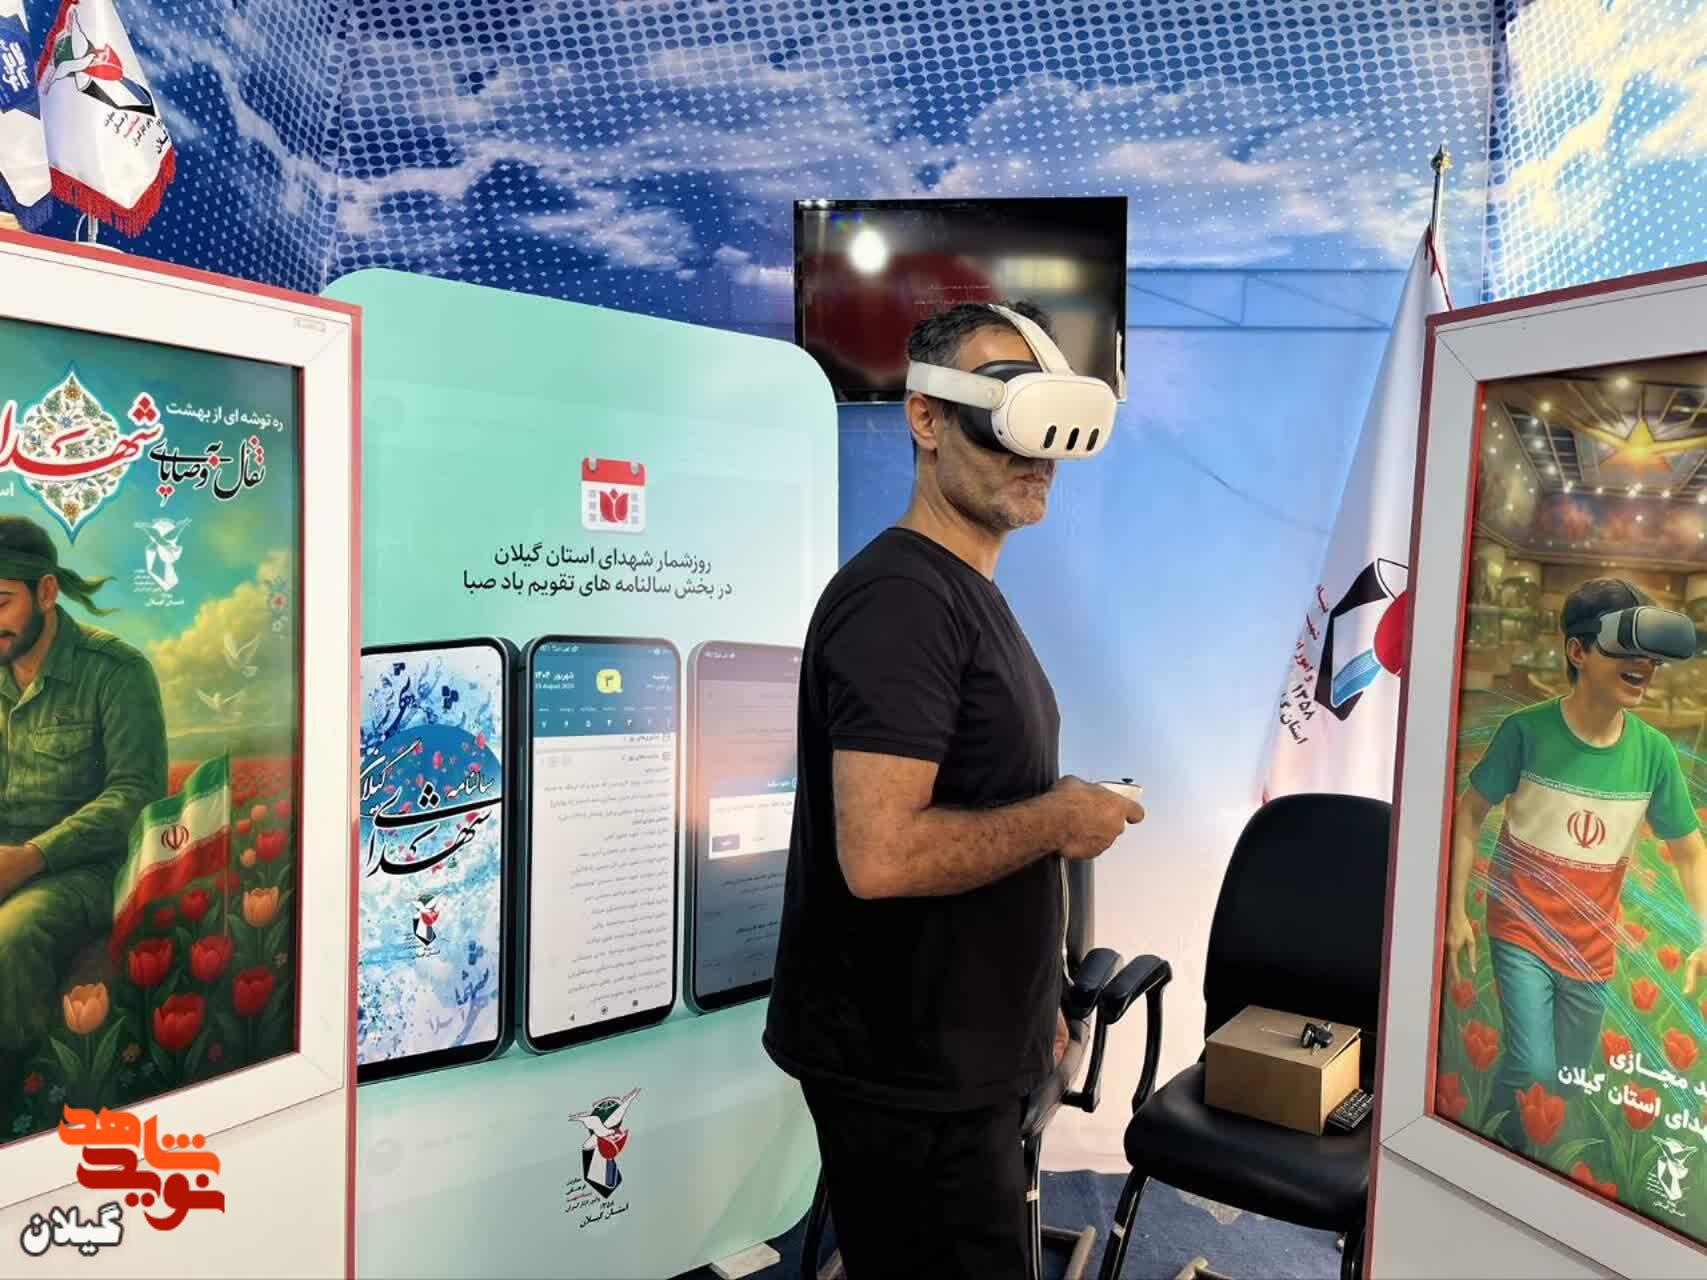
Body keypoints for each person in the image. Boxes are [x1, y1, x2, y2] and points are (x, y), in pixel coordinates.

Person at [764, 301, 1144, 1277]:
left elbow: (976, 801)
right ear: (927, 419)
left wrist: (1034, 1000)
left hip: (960, 1050)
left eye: (1049, 432)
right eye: (1004, 419)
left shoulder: (962, 592)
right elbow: (881, 856)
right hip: (908, 1072)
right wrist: (1060, 817)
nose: (1037, 456)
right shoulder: (901, 601)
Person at [1446, 578, 1707, 1153]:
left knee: (1566, 1080)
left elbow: (1690, 851)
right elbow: (1469, 814)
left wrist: (1704, 934)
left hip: (1593, 948)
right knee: (1534, 1068)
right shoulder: (1524, 732)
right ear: (1577, 651)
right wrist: (1456, 911)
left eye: (1649, 652)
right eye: (1624, 646)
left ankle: (1506, 1143)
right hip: (1522, 931)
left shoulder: (1655, 754)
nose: (1644, 665)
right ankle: (1488, 1157)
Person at [0, 515, 168, 1087]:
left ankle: (18, 1099)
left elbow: (136, 794)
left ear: (46, 592)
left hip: (85, 870)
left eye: (0, 602)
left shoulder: (116, 671)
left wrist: (30, 857)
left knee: (12, 936)